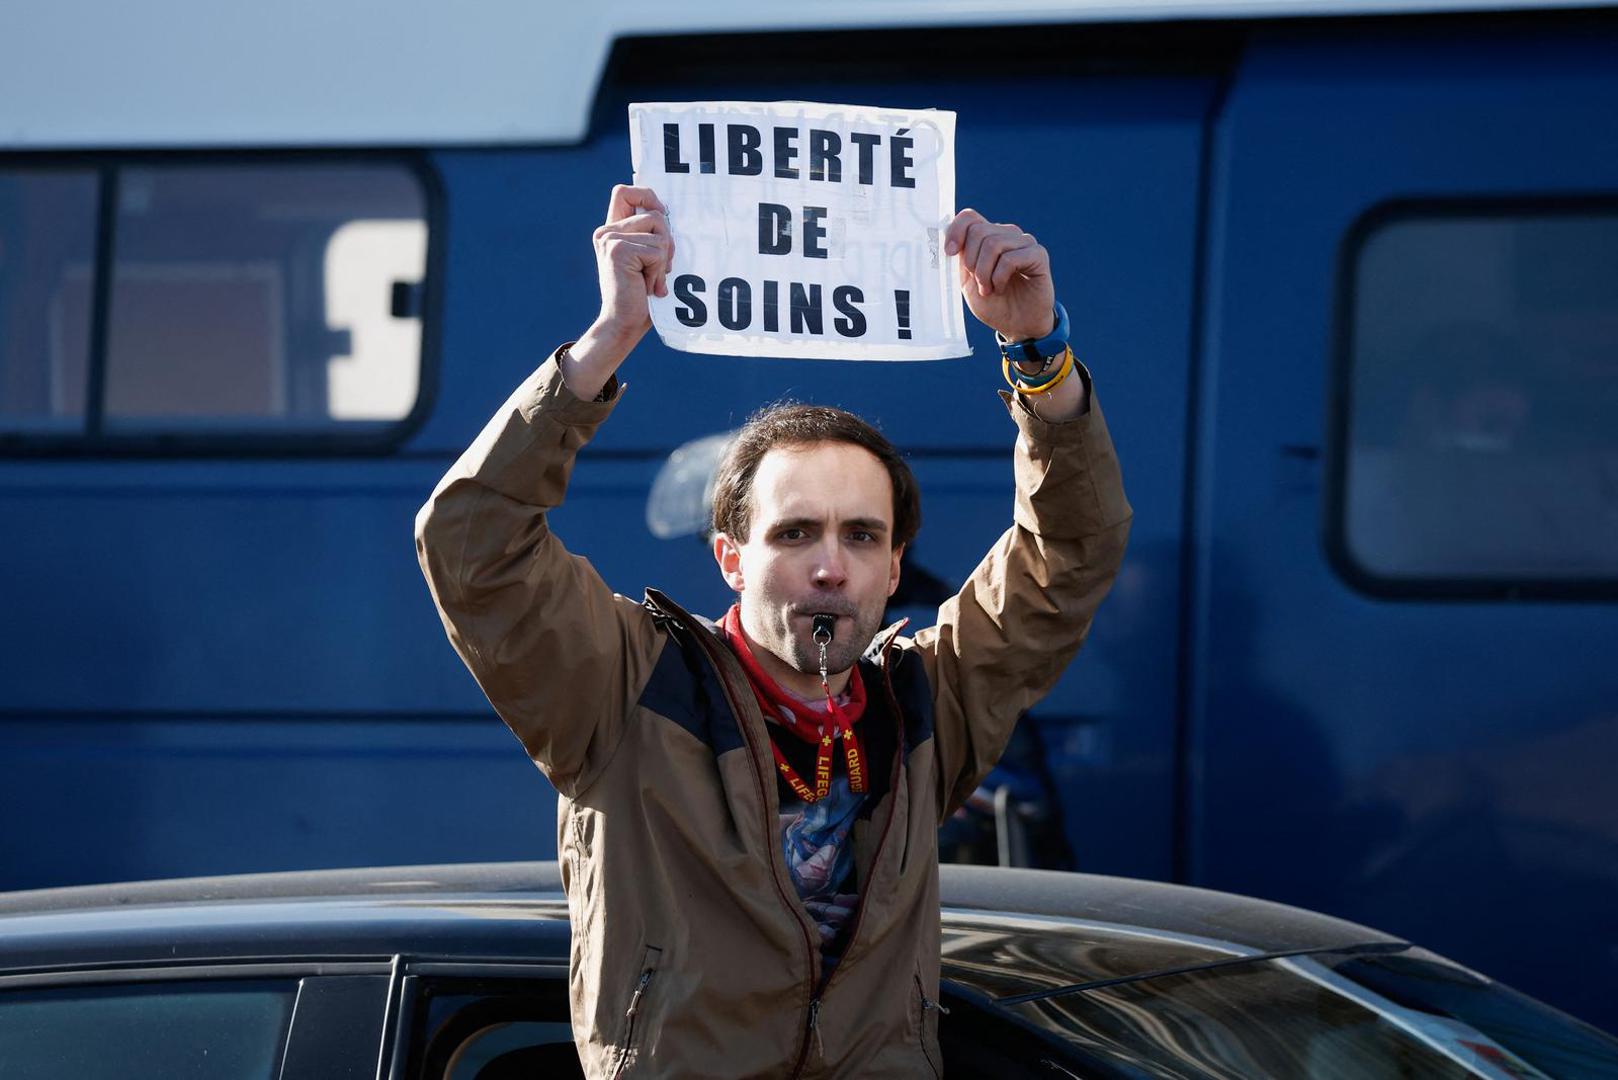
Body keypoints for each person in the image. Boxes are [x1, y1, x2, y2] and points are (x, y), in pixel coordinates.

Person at [416, 184, 1130, 1078]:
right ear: (730, 558)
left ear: (896, 566)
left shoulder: (927, 703)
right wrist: (605, 344)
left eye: (860, 535)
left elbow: (1071, 552)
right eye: (794, 533)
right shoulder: (626, 689)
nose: (830, 565)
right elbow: (470, 542)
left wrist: (1039, 354)